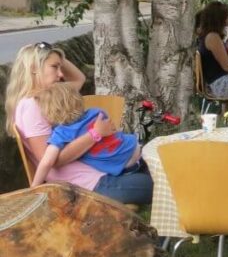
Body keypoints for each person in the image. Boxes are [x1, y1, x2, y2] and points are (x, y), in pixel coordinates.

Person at [5, 43, 153, 205]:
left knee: (159, 168)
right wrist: (95, 134)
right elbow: (51, 160)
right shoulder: (32, 106)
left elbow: (78, 79)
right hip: (87, 186)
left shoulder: (52, 97)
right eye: (54, 67)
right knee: (161, 184)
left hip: (96, 176)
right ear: (34, 67)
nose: (61, 74)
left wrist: (56, 55)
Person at [31, 83, 143, 188]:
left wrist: (34, 187)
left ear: (50, 112)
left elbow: (47, 162)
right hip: (134, 147)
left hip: (124, 166)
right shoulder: (97, 112)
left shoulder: (61, 133)